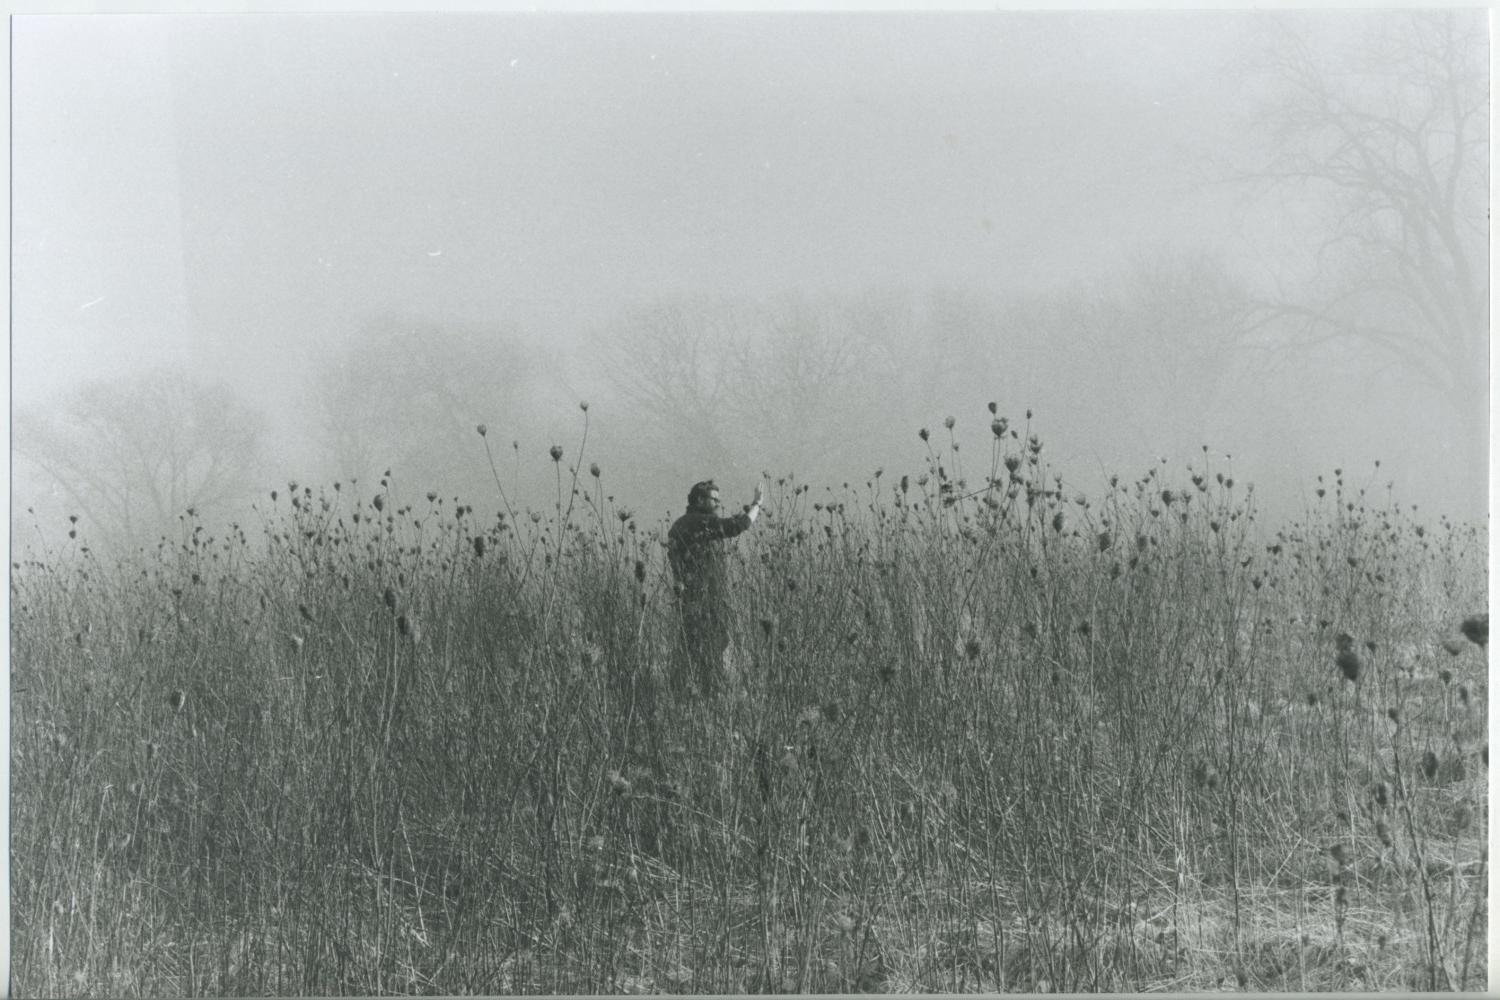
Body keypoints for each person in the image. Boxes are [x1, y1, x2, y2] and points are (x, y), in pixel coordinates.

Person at [667, 478, 763, 695]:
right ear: (700, 500)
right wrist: (757, 505)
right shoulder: (696, 523)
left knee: (696, 649)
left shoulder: (684, 524)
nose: (718, 504)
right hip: (704, 600)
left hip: (694, 599)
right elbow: (735, 526)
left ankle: (687, 695)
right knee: (710, 648)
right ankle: (712, 695)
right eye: (714, 499)